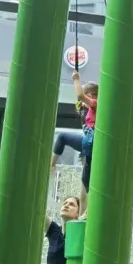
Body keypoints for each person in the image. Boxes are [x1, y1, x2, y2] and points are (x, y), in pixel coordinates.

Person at [50, 70, 98, 214]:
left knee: (62, 137)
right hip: (90, 148)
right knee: (84, 185)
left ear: (90, 96)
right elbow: (80, 100)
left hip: (91, 141)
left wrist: (76, 79)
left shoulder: (96, 103)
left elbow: (79, 96)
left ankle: (51, 166)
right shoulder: (89, 109)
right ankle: (83, 217)